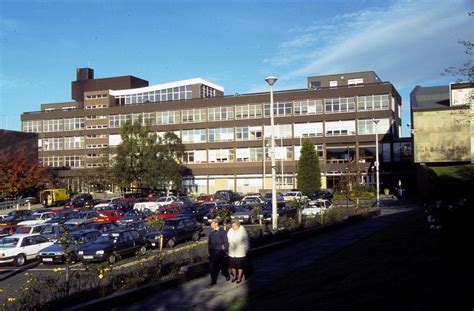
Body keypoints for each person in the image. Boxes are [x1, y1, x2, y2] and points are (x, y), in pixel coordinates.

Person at [208, 219, 230, 286]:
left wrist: (224, 250)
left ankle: (227, 275)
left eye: (212, 223)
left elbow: (225, 242)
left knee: (222, 266)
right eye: (211, 224)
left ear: (216, 224)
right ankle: (213, 280)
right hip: (213, 253)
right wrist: (209, 251)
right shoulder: (211, 233)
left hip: (220, 252)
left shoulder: (222, 232)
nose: (211, 225)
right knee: (212, 267)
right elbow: (209, 243)